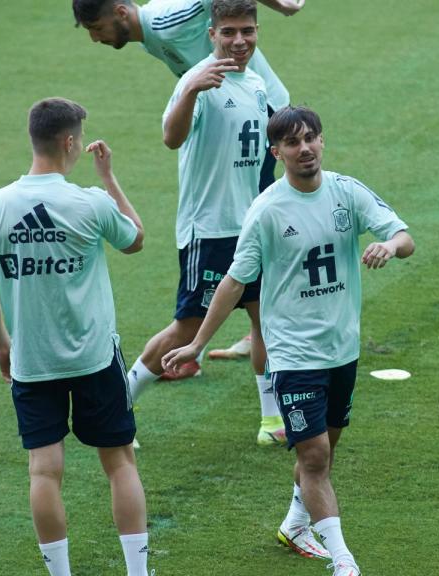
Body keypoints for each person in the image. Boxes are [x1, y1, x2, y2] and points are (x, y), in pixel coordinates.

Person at [163, 105, 415, 575]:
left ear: (322, 140)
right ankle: (343, 561)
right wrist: (197, 344)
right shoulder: (267, 210)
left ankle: (296, 524)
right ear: (275, 152)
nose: (305, 149)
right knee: (314, 456)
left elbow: (404, 237)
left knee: (325, 451)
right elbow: (234, 282)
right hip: (293, 353)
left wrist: (389, 245)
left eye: (311, 138)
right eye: (293, 142)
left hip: (342, 348)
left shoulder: (346, 192)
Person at [0, 98, 151, 576]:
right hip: (94, 357)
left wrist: (3, 345)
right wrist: (109, 178)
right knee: (120, 463)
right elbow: (135, 239)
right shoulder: (89, 202)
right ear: (70, 142)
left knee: (44, 470)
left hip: (31, 360)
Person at [72, 0, 305, 373]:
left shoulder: (166, 22)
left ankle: (248, 324)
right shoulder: (155, 38)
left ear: (120, 12)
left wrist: (283, 6)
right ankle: (239, 327)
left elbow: (222, 6)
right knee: (248, 242)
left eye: (96, 27)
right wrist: (192, 92)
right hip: (223, 108)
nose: (95, 38)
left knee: (252, 228)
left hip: (259, 110)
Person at [123, 0, 287, 447]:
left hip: (249, 226)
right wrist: (191, 90)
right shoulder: (197, 80)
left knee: (265, 318)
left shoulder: (257, 85)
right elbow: (171, 137)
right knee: (188, 328)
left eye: (248, 31)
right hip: (210, 230)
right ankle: (118, 402)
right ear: (211, 35)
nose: (239, 41)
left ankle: (271, 420)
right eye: (229, 32)